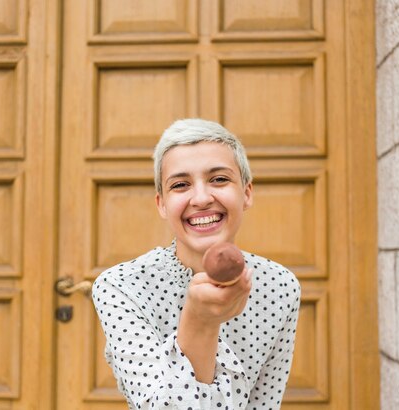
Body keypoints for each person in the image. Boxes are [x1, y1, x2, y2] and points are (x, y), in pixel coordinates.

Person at [92, 118, 301, 409]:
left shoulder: (280, 286)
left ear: (247, 193)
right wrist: (199, 321)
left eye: (219, 179)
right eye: (180, 185)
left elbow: (264, 403)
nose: (201, 198)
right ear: (162, 204)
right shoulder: (121, 287)